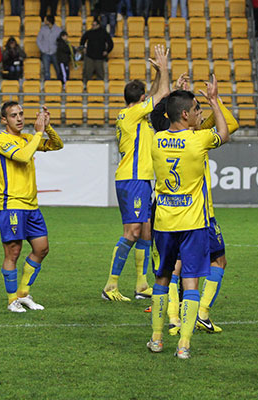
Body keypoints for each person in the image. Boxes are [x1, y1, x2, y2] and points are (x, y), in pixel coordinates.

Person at [150, 72, 239, 335]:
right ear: (186, 114)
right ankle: (199, 314)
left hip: (167, 214)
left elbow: (160, 117)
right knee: (216, 261)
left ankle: (172, 321)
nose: (200, 114)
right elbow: (227, 128)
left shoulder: (160, 138)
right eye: (195, 110)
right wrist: (214, 101)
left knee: (170, 269)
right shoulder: (198, 138)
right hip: (198, 214)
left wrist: (178, 95)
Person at [101, 45, 169, 302]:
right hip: (132, 179)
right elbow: (162, 94)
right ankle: (110, 285)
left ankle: (141, 285)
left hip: (140, 179)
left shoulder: (133, 114)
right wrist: (163, 69)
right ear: (141, 100)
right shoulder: (131, 115)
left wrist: (154, 76)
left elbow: (155, 94)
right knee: (132, 232)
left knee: (147, 232)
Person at [0, 103, 63, 313]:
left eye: (21, 114)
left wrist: (47, 128)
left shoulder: (26, 139)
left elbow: (57, 145)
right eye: (13, 115)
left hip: (32, 205)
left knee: (42, 249)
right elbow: (23, 157)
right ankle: (12, 299)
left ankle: (23, 294)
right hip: (11, 205)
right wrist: (38, 134)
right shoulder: (1, 140)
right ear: (4, 120)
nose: (19, 119)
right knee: (13, 252)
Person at [79, 17, 113, 84]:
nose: (93, 26)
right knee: (87, 73)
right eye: (92, 25)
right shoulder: (89, 32)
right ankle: (87, 86)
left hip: (99, 57)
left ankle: (99, 88)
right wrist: (83, 48)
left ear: (98, 25)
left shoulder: (104, 33)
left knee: (100, 75)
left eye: (94, 25)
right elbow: (82, 40)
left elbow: (111, 44)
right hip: (89, 56)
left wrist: (107, 51)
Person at [37, 15, 61, 81]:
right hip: (46, 53)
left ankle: (60, 82)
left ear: (49, 21)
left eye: (46, 20)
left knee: (58, 68)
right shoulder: (42, 29)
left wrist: (57, 50)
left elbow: (61, 41)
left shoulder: (58, 30)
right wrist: (43, 50)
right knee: (46, 70)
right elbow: (38, 40)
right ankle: (47, 83)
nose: (44, 21)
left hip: (55, 52)